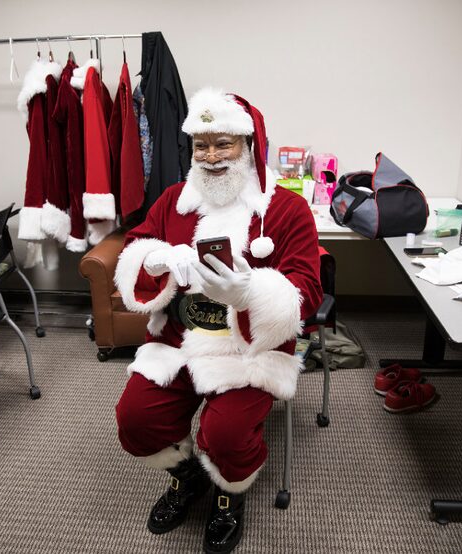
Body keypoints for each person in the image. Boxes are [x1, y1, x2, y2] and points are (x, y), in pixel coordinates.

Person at [114, 88, 322, 553]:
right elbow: (137, 243)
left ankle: (230, 493)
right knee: (135, 420)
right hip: (179, 338)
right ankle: (189, 477)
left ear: (249, 145)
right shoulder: (174, 200)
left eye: (223, 143)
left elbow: (307, 288)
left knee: (225, 436)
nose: (210, 157)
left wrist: (250, 293)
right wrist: (154, 260)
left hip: (249, 350)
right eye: (200, 146)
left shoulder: (286, 209)